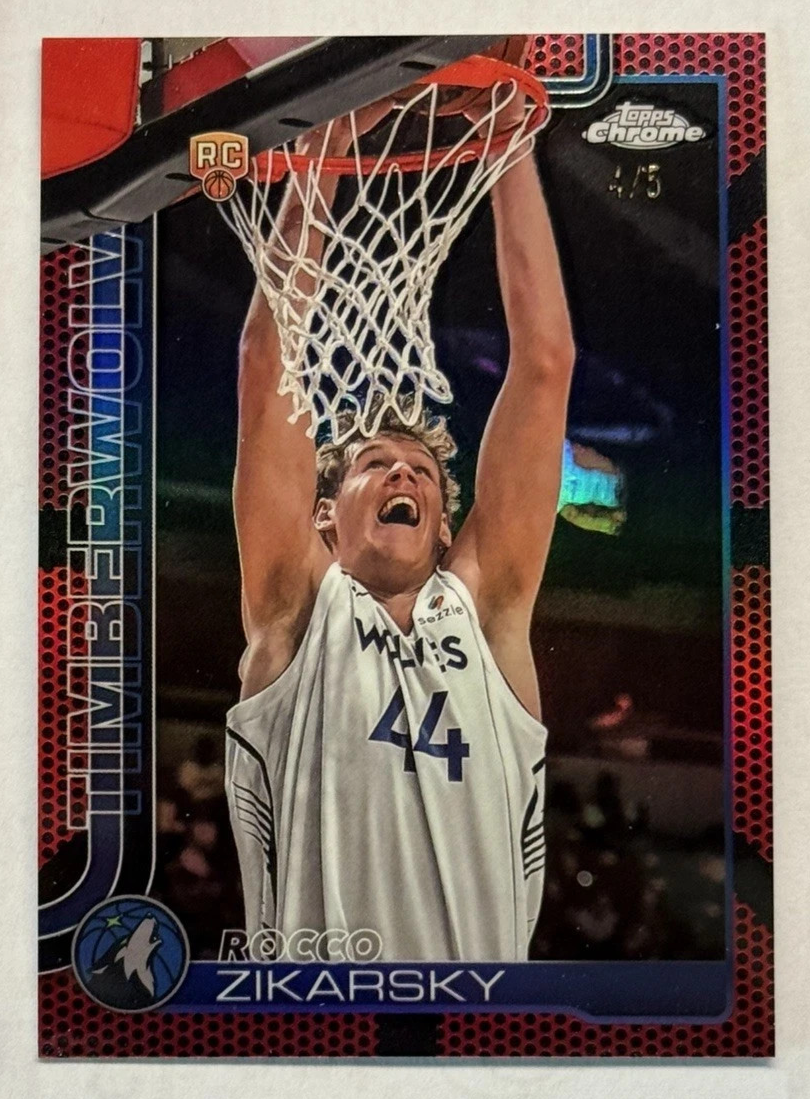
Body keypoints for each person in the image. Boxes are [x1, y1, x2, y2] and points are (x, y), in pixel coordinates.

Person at [225, 84, 575, 962]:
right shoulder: (295, 610)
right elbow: (269, 360)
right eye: (375, 463)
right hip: (315, 1024)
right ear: (322, 514)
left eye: (421, 470)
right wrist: (323, 153)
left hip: (483, 1028)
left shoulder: (487, 614)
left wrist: (509, 143)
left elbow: (546, 362)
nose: (405, 472)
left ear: (445, 525)